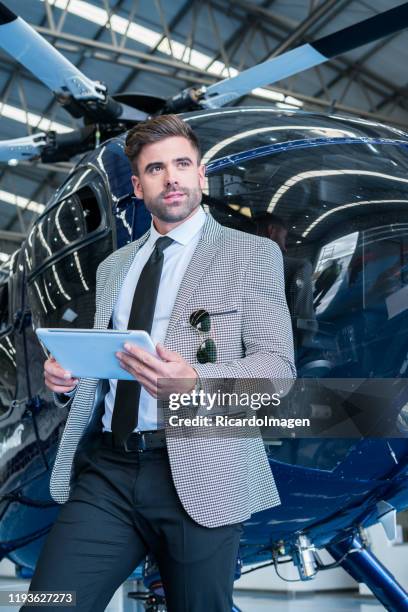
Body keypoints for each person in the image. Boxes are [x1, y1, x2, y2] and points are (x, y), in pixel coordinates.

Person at [25, 115, 295, 612]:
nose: (170, 178)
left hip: (203, 467)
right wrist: (67, 379)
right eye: (155, 169)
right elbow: (112, 363)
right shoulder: (116, 266)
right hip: (108, 469)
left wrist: (195, 380)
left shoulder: (249, 254)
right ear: (137, 184)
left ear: (201, 174)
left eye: (181, 164)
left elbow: (277, 370)